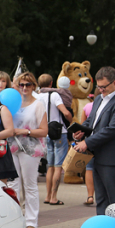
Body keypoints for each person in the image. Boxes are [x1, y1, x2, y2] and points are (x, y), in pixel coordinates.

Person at [73, 67, 115, 215]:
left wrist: (87, 142)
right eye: (98, 87)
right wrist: (81, 131)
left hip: (112, 158)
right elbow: (92, 121)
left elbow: (112, 130)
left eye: (104, 87)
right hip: (97, 155)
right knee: (101, 199)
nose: (100, 90)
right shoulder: (99, 98)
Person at [8, 72, 47, 228]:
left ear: (33, 86)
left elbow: (44, 131)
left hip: (30, 148)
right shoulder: (11, 104)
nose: (24, 88)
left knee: (30, 184)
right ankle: (14, 219)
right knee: (12, 184)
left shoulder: (38, 104)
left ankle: (31, 221)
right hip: (11, 147)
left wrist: (25, 131)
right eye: (21, 84)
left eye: (28, 85)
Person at [38, 73, 73, 206]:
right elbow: (65, 112)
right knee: (58, 167)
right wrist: (70, 121)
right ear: (51, 83)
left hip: (45, 133)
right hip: (59, 133)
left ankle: (47, 196)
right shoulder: (54, 95)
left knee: (49, 166)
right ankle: (53, 197)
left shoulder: (37, 96)